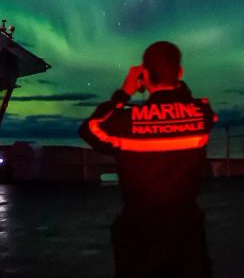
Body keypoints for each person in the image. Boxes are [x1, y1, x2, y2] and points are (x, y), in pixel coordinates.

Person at [79, 41, 218, 278]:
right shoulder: (201, 113)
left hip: (138, 241)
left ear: (144, 75)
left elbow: (89, 130)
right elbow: (195, 106)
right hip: (187, 238)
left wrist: (123, 93)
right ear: (180, 73)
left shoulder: (126, 122)